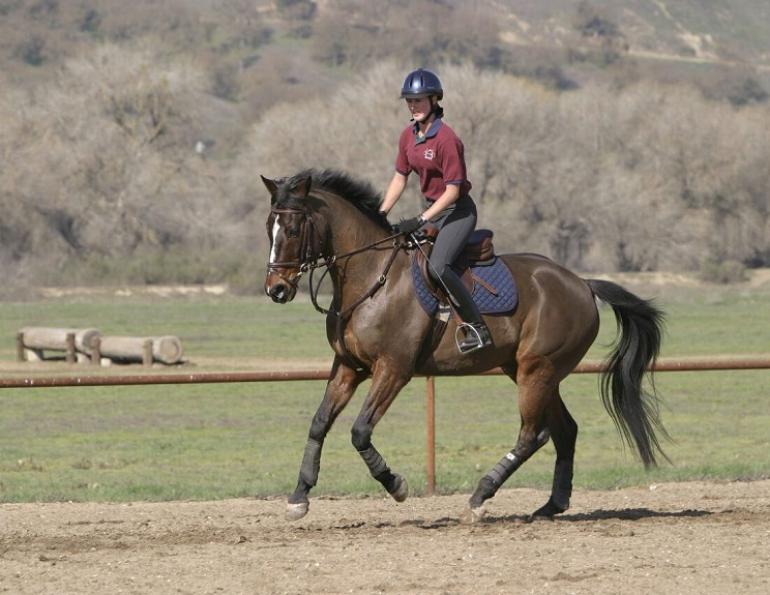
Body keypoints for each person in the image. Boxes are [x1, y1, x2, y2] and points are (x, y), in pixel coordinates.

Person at [378, 68, 493, 353]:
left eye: (418, 100)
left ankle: (476, 329)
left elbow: (453, 191)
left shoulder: (447, 140)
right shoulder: (408, 136)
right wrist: (380, 213)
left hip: (457, 212)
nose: (413, 106)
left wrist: (420, 219)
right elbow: (400, 177)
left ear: (434, 100)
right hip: (433, 210)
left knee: (437, 266)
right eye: (409, 101)